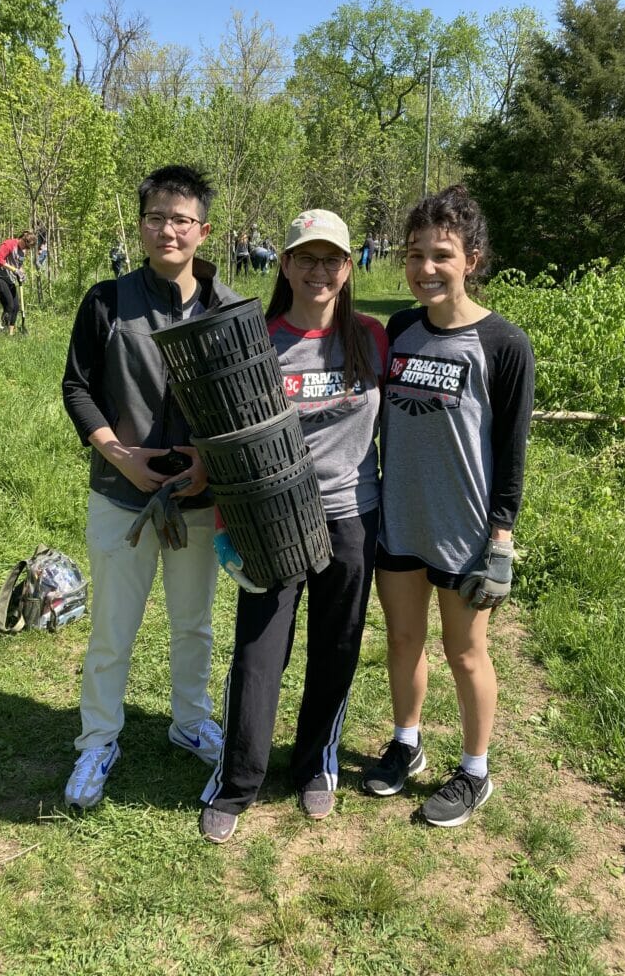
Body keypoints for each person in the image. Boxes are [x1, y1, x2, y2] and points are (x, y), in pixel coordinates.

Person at [199, 209, 388, 844]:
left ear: (348, 268)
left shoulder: (372, 338)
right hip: (271, 520)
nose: (318, 270)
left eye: (331, 259)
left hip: (350, 516)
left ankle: (314, 764)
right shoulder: (257, 341)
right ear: (284, 264)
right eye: (305, 257)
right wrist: (227, 527)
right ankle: (238, 780)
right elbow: (229, 442)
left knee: (336, 645)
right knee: (259, 654)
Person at [62, 165, 241, 810]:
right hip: (121, 495)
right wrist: (120, 455)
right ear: (141, 226)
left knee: (194, 623)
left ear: (203, 231)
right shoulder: (107, 301)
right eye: (157, 217)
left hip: (197, 498)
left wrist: (210, 467)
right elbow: (77, 387)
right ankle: (97, 740)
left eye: (182, 219)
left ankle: (190, 720)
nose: (169, 230)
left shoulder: (228, 310)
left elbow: (245, 405)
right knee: (112, 628)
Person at [362, 185, 534, 827]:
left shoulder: (503, 343)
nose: (425, 267)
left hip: (464, 531)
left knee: (465, 653)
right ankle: (406, 743)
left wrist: (502, 538)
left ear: (472, 259)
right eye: (415, 254)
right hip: (400, 520)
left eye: (441, 255)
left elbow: (511, 450)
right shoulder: (400, 330)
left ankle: (475, 771)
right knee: (403, 639)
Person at [0, 230, 36, 335]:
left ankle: (10, 334)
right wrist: (14, 270)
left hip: (10, 280)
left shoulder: (23, 251)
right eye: (26, 246)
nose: (26, 249)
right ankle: (3, 331)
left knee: (16, 307)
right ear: (23, 239)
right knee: (9, 305)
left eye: (29, 248)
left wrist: (21, 273)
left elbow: (19, 265)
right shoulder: (9, 244)